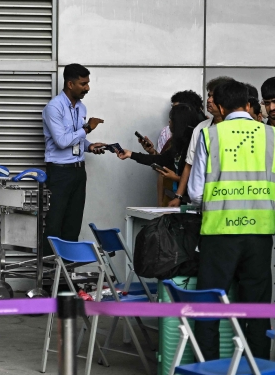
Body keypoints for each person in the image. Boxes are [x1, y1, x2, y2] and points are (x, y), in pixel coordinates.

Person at [188, 79, 275, 375]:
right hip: (259, 234)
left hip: (220, 233)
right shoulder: (272, 136)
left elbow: (194, 193)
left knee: (209, 306)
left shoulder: (210, 134)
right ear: (248, 105)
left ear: (219, 107)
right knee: (256, 307)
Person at [41, 64, 107, 253]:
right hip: (60, 172)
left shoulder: (81, 107)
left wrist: (89, 146)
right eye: (83, 83)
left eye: (87, 83)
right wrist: (87, 128)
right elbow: (62, 141)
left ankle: (66, 279)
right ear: (70, 84)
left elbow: (75, 137)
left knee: (73, 225)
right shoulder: (54, 108)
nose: (87, 88)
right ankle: (49, 279)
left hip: (78, 171)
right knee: (54, 225)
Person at [117, 104, 199, 205]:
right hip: (175, 199)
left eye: (172, 119)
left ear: (179, 123)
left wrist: (176, 178)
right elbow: (161, 160)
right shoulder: (177, 144)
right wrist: (131, 154)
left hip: (191, 203)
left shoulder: (193, 143)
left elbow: (198, 178)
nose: (169, 122)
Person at [170, 78, 228, 207]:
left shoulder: (240, 127)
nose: (209, 100)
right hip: (204, 200)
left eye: (214, 96)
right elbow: (189, 164)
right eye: (209, 96)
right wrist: (178, 196)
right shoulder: (201, 127)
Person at [152, 90, 205, 154]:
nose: (173, 113)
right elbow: (162, 160)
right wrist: (153, 152)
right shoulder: (166, 132)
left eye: (176, 109)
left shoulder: (202, 133)